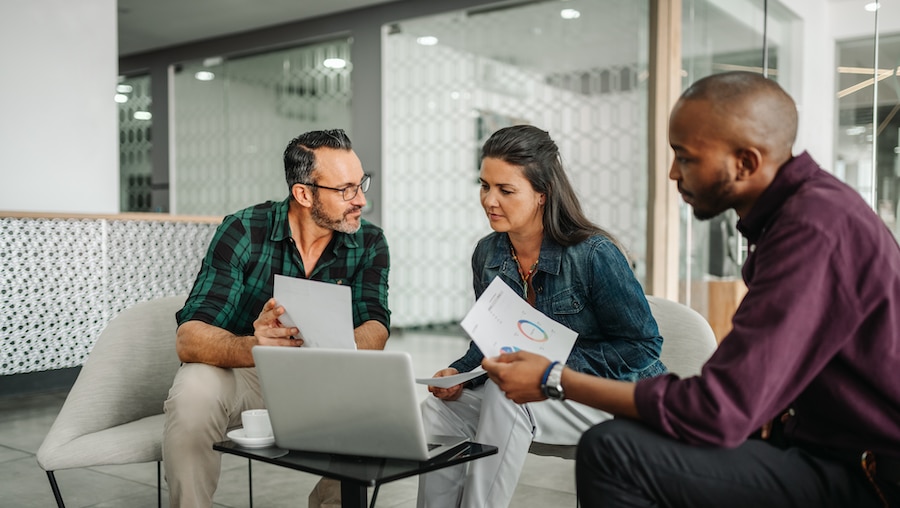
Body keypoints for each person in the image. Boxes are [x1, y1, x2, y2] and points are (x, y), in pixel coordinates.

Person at [483, 71, 900, 507]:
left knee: (613, 452)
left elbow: (717, 411)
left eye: (686, 157)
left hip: (867, 475)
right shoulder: (801, 215)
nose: (672, 172)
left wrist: (554, 379)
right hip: (811, 443)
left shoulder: (814, 230)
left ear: (746, 163)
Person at [417, 124, 667, 508]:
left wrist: (549, 368)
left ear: (541, 195)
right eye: (484, 186)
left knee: (506, 394)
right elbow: (490, 338)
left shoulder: (593, 254)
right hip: (542, 396)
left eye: (505, 190)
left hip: (611, 399)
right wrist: (458, 372)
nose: (489, 200)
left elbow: (644, 346)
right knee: (438, 411)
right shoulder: (487, 254)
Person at [163, 129, 391, 508]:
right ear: (304, 194)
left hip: (326, 373)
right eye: (347, 189)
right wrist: (254, 345)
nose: (362, 200)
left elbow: (377, 327)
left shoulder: (369, 241)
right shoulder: (242, 230)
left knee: (377, 400)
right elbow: (188, 338)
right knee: (194, 390)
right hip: (247, 372)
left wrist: (333, 348)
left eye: (361, 183)